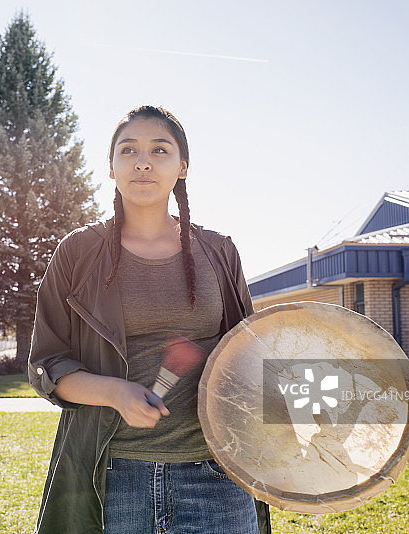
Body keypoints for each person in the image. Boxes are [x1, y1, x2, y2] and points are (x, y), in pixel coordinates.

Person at [28, 106, 271, 534]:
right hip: (112, 476)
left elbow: (247, 356)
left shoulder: (219, 252)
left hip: (218, 475)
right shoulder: (77, 253)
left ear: (182, 167)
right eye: (128, 150)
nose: (143, 161)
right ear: (111, 168)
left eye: (159, 149)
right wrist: (115, 392)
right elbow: (47, 364)